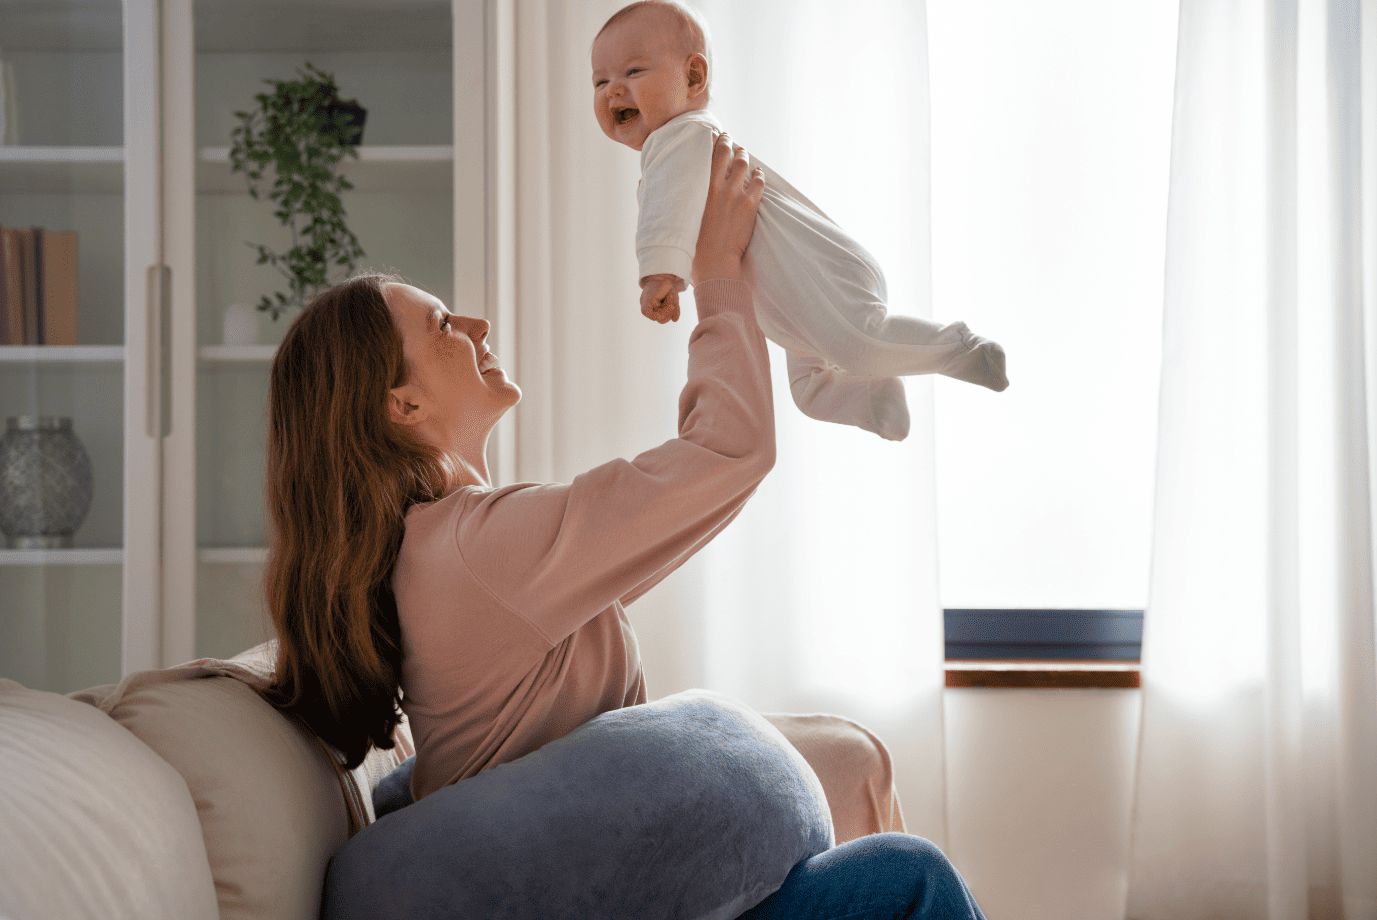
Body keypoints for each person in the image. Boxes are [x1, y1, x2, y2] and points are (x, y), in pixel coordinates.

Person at [262, 133, 985, 918]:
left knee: (863, 786)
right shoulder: (475, 548)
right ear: (401, 404)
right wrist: (719, 273)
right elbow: (728, 451)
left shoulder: (448, 548)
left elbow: (696, 493)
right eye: (441, 325)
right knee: (909, 877)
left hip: (614, 884)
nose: (475, 323)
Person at [591, 0, 1008, 442]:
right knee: (809, 390)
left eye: (633, 72)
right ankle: (877, 398)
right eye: (600, 81)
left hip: (819, 275)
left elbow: (668, 210)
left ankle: (960, 348)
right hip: (790, 303)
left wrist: (659, 272)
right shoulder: (678, 150)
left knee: (858, 345)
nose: (612, 91)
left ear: (694, 77)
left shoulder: (682, 135)